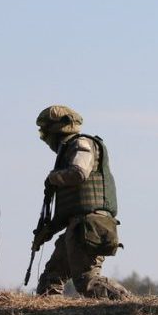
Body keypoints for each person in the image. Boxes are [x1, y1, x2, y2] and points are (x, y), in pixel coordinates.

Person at [32, 105, 130, 299]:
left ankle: (129, 305)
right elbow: (71, 207)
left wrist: (54, 178)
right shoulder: (67, 152)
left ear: (55, 130)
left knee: (88, 282)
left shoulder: (81, 144)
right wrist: (48, 231)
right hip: (77, 228)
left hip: (88, 228)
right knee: (50, 280)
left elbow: (79, 173)